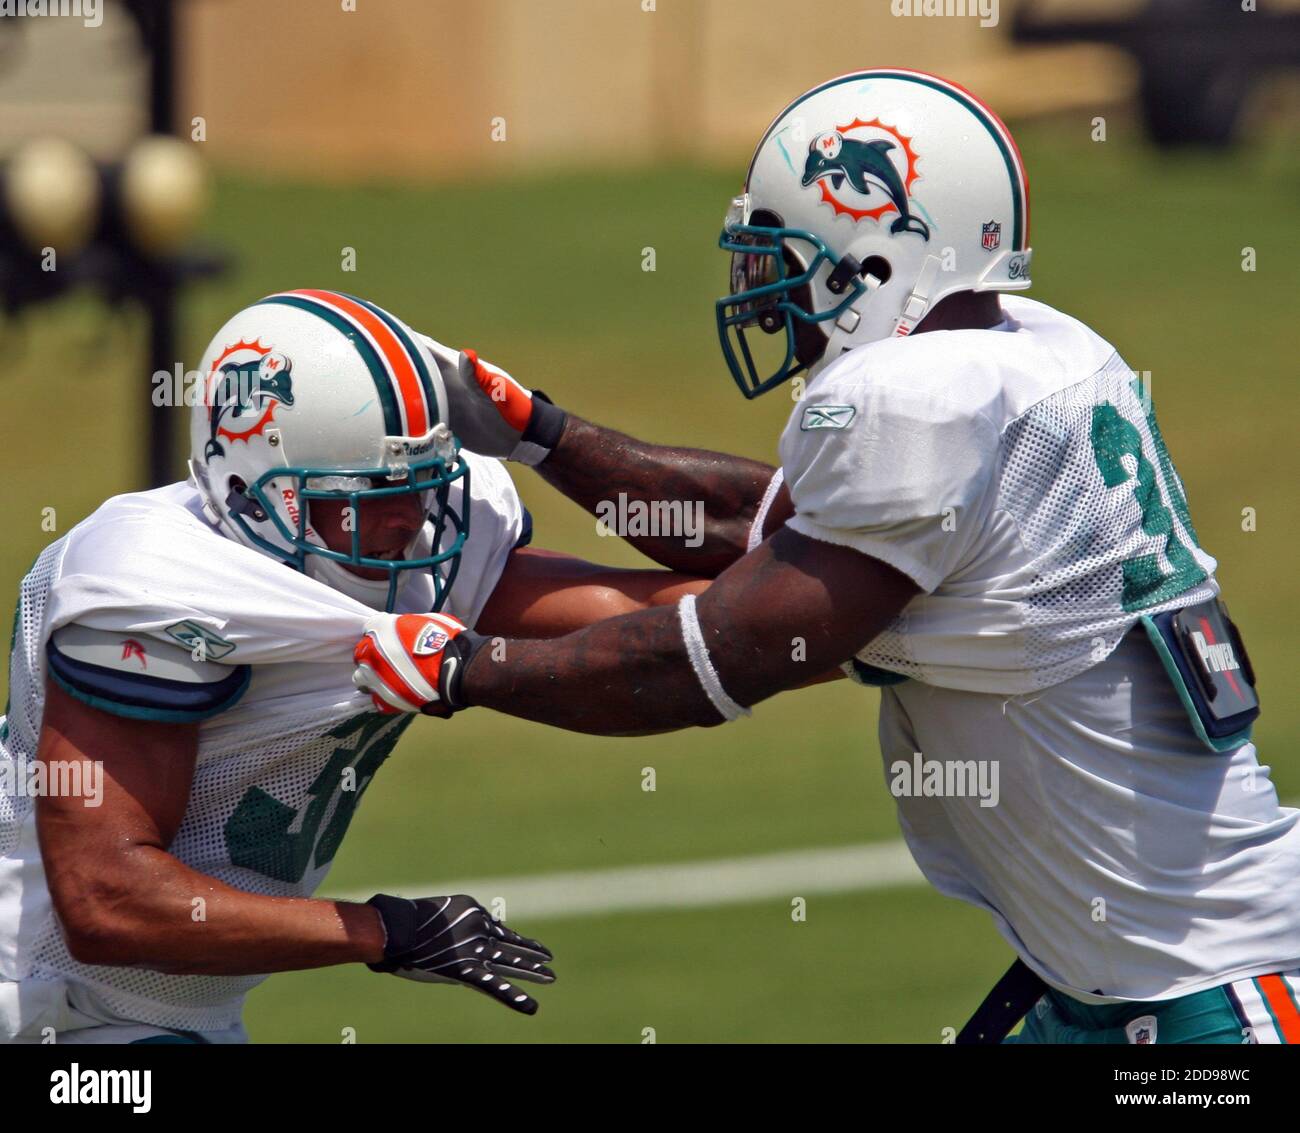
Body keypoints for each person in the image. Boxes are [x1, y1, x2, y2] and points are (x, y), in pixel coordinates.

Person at [352, 72, 1300, 1044]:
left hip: (1210, 1001)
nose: (765, 291)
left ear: (878, 257)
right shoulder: (1038, 349)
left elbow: (692, 664)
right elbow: (764, 527)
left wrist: (462, 668)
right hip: (1104, 981)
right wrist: (540, 431)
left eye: (786, 259)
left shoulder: (918, 400)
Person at [0, 288, 704, 1043]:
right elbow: (109, 903)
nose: (409, 524)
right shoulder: (151, 585)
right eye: (371, 495)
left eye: (421, 488)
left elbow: (686, 628)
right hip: (45, 1010)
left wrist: (835, 609)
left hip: (183, 1018)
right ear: (253, 494)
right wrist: (379, 932)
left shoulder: (413, 555)